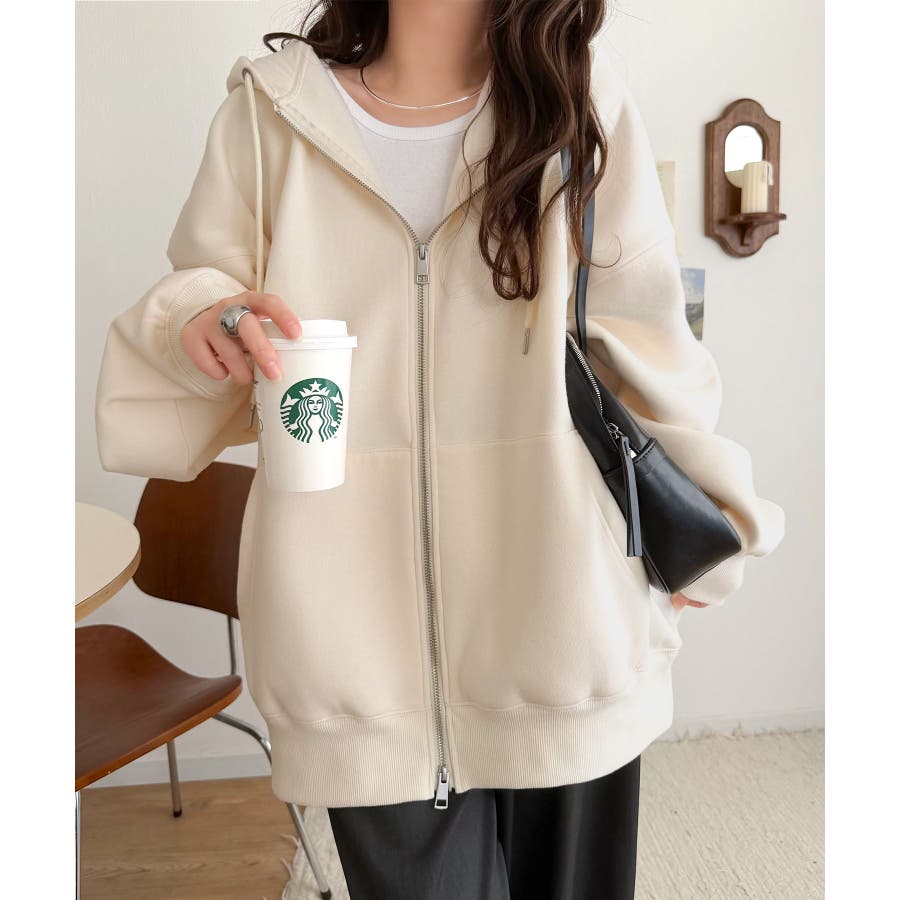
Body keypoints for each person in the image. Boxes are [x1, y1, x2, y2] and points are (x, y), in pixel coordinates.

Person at [94, 1, 786, 897]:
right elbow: (205, 285)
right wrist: (202, 314)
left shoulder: (578, 102)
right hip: (352, 646)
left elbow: (646, 342)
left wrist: (710, 524)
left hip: (562, 609)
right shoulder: (271, 112)